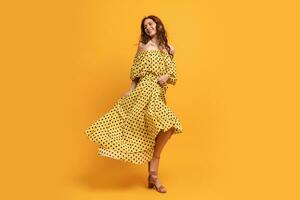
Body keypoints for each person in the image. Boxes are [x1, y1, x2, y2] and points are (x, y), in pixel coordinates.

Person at [85, 15, 183, 193]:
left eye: (150, 24)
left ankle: (152, 174)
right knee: (154, 129)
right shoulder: (143, 46)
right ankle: (154, 176)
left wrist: (166, 77)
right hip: (144, 91)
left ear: (158, 25)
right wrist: (130, 91)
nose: (147, 28)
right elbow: (135, 74)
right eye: (145, 26)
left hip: (159, 94)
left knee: (163, 130)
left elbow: (172, 71)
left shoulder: (169, 48)